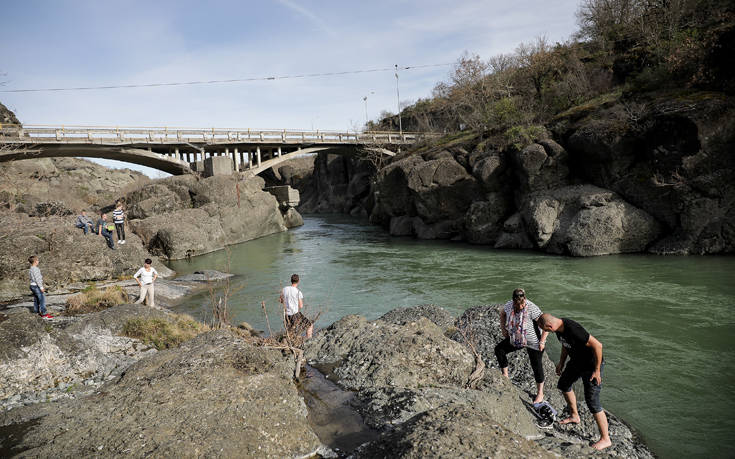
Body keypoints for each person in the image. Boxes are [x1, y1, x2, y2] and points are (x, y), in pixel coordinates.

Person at [538, 313, 611, 451]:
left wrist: (597, 370)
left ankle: (606, 439)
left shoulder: (573, 329)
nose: (545, 333)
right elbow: (566, 345)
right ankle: (574, 415)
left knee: (592, 401)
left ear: (550, 326)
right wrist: (561, 363)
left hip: (591, 366)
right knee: (564, 384)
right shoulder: (559, 330)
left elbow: (598, 345)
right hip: (576, 362)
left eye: (545, 330)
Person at [494, 288, 549, 403]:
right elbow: (502, 314)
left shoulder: (532, 308)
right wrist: (503, 329)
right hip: (517, 339)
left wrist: (542, 341)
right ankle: (505, 376)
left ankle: (540, 393)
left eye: (522, 304)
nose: (520, 306)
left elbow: (547, 324)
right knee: (499, 350)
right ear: (513, 301)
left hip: (534, 341)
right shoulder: (509, 306)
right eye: (517, 304)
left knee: (536, 366)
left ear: (525, 300)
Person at [279, 274, 313, 339]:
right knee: (310, 325)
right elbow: (301, 305)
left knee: (290, 332)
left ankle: (290, 343)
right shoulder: (298, 292)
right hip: (295, 314)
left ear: (291, 280)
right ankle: (309, 340)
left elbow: (280, 300)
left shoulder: (284, 289)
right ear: (298, 281)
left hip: (286, 315)